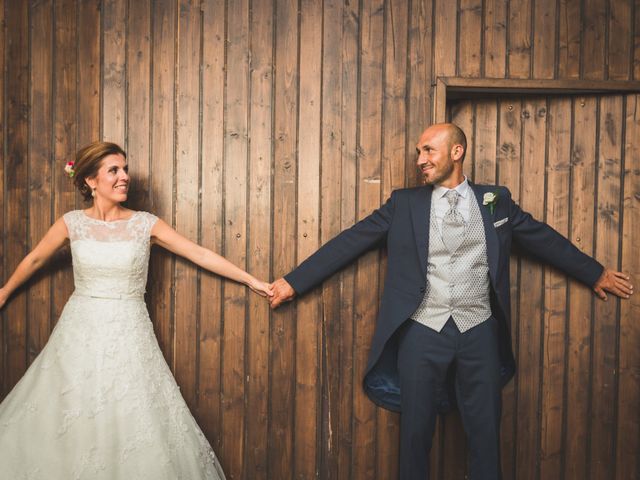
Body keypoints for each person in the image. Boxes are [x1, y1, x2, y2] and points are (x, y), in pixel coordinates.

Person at [268, 123, 634, 480]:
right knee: (414, 435)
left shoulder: (496, 200)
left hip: (480, 331)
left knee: (486, 433)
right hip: (422, 331)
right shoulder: (404, 204)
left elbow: (542, 238)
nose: (420, 160)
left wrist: (594, 272)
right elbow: (351, 241)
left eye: (428, 150)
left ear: (456, 152)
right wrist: (293, 282)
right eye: (418, 152)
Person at [0, 141, 272, 479]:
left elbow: (198, 253)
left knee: (134, 413)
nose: (124, 176)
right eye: (114, 170)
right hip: (78, 332)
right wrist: (3, 292)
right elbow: (36, 258)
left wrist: (251, 280)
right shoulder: (72, 223)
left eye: (124, 169)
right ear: (90, 181)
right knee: (69, 410)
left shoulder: (145, 224)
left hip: (130, 331)